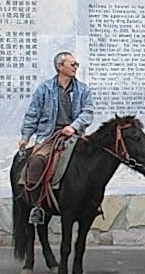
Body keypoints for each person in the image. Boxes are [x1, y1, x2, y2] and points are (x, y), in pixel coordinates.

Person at [18, 52, 94, 225]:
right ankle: (37, 206)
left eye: (76, 65)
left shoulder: (83, 90)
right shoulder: (44, 89)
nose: (76, 67)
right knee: (37, 161)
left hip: (74, 135)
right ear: (60, 67)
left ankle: (92, 204)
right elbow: (32, 114)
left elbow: (88, 112)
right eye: (72, 64)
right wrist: (25, 137)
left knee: (91, 163)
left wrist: (73, 126)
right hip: (48, 136)